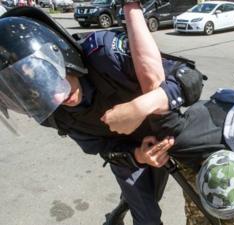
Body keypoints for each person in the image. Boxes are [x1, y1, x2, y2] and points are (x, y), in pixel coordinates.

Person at [0, 4, 204, 225]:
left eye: (49, 76)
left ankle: (125, 204)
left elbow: (188, 78)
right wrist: (138, 155)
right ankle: (119, 212)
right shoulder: (54, 113)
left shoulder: (105, 54)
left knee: (211, 197)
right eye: (37, 91)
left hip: (166, 131)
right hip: (129, 157)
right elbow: (98, 147)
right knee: (147, 216)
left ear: (60, 52)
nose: (57, 96)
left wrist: (140, 107)